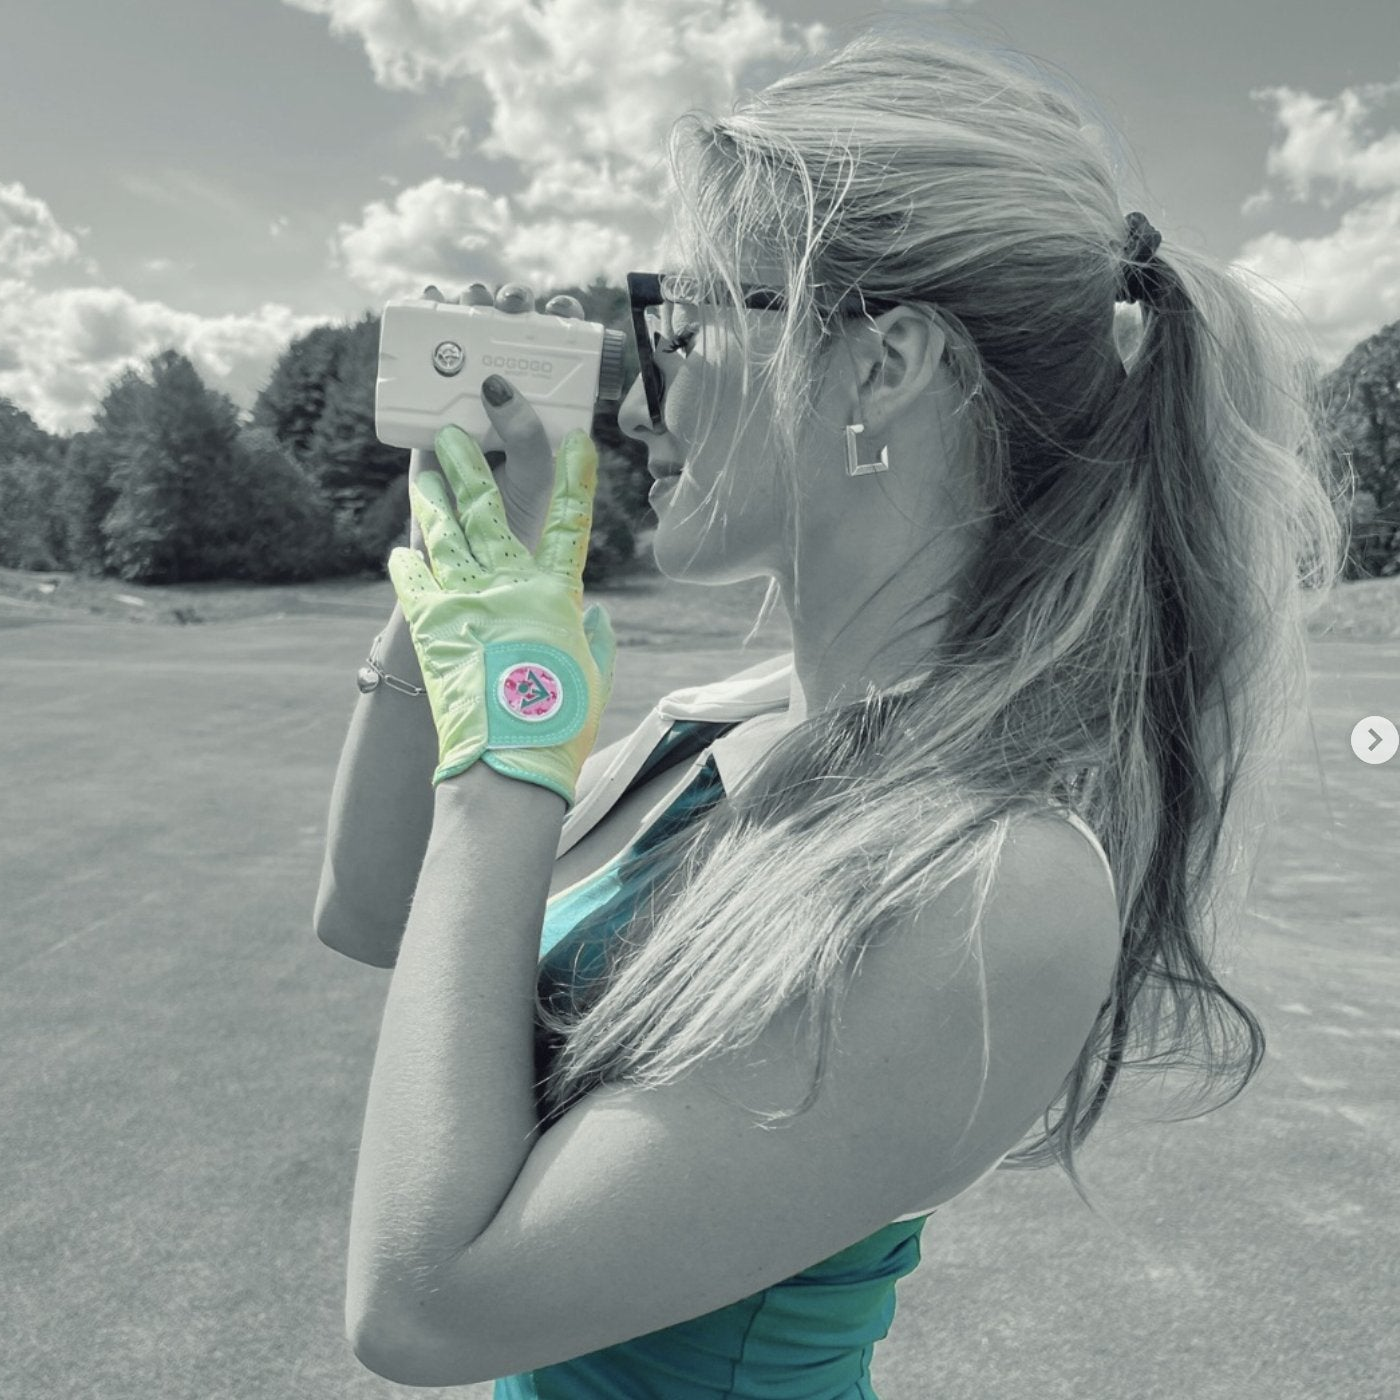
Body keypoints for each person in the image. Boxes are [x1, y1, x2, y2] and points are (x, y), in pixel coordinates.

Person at [315, 22, 1347, 1397]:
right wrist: (460, 570)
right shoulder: (735, 718)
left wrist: (511, 747)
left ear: (884, 363)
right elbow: (380, 909)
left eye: (677, 316)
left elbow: (427, 1310)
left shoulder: (997, 876)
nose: (643, 393)